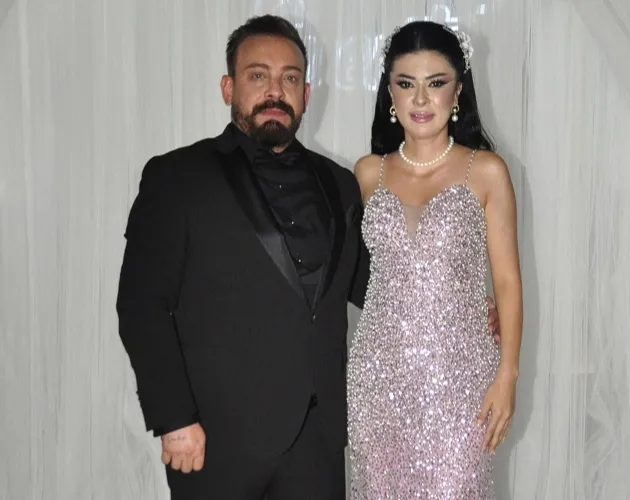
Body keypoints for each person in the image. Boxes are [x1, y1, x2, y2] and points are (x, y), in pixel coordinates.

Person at [116, 15, 500, 500]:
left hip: (318, 444)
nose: (275, 91)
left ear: (306, 94)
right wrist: (174, 419)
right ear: (228, 87)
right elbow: (142, 306)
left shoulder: (341, 182)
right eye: (258, 76)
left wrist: (464, 306)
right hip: (216, 439)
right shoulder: (178, 177)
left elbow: (378, 280)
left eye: (290, 78)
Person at [347, 21, 523, 499]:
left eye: (436, 83)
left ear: (458, 90)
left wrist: (507, 375)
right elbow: (346, 272)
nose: (421, 99)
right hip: (377, 377)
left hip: (461, 380)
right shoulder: (367, 173)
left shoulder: (486, 171)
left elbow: (507, 281)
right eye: (406, 83)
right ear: (390, 93)